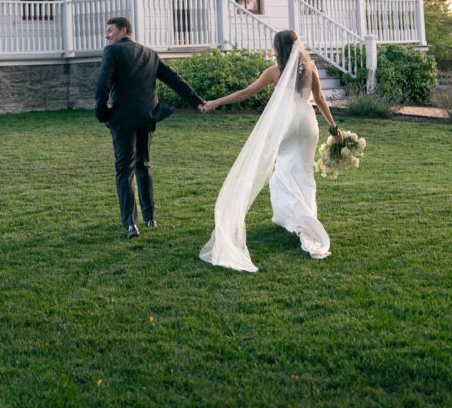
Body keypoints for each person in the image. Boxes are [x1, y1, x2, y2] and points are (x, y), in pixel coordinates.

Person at [199, 30, 342, 271]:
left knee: (282, 175)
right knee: (303, 174)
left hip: (285, 124)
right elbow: (319, 99)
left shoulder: (275, 72)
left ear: (279, 49)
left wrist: (215, 102)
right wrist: (334, 128)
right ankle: (305, 218)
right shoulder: (310, 68)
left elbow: (245, 93)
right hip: (308, 125)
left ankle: (301, 221)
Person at [94, 16, 204, 239]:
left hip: (123, 119)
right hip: (147, 117)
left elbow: (102, 84)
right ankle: (150, 218)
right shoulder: (150, 53)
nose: (107, 35)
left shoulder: (112, 51)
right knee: (143, 165)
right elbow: (174, 79)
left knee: (124, 171)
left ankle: (131, 225)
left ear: (124, 30)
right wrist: (197, 101)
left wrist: (102, 113)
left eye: (110, 31)